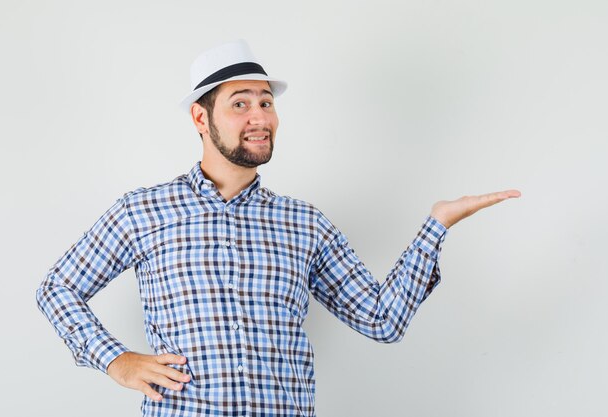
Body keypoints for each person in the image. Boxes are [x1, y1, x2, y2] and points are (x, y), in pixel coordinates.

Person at [36, 39, 521, 417]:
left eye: (266, 103)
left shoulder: (304, 224)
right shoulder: (143, 211)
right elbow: (57, 289)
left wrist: (437, 225)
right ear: (200, 118)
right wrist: (115, 360)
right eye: (240, 104)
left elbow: (382, 320)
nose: (260, 117)